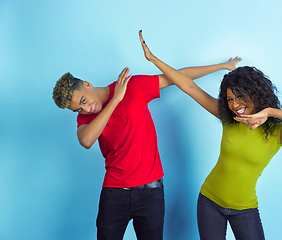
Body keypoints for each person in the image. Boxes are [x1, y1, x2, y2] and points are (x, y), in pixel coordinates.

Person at [139, 30, 282, 240]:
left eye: (240, 97)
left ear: (256, 93)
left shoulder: (278, 133)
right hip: (209, 202)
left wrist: (270, 112)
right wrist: (153, 59)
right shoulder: (229, 119)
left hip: (244, 209)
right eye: (230, 99)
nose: (235, 105)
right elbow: (188, 86)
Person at [52, 39, 241, 240]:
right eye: (79, 109)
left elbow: (178, 77)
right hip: (115, 193)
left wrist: (222, 66)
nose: (87, 108)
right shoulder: (86, 119)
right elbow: (87, 141)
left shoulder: (133, 86)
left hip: (151, 192)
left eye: (84, 101)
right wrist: (116, 99)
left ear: (87, 85)